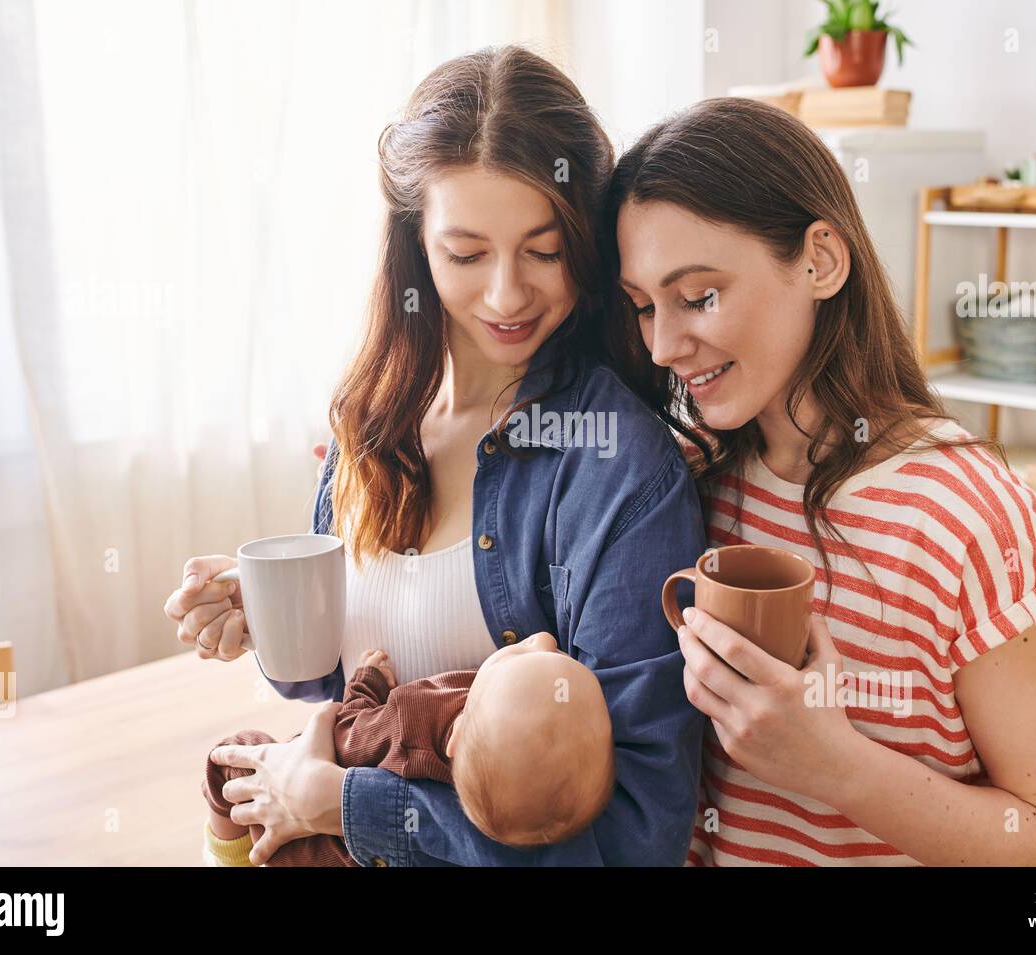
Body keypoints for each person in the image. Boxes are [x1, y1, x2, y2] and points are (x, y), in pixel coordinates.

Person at [163, 46, 706, 866]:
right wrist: (276, 623)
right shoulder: (371, 419)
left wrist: (344, 806)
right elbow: (351, 706)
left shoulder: (619, 471)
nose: (506, 294)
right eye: (466, 254)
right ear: (416, 245)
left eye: (544, 249)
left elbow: (635, 835)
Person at [608, 97, 1036, 866]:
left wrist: (834, 765)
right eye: (643, 307)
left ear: (821, 261)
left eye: (699, 296)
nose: (666, 344)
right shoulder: (689, 482)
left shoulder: (972, 517)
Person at [200, 637, 614, 866]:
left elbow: (351, 735)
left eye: (521, 657)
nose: (545, 638)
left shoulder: (417, 719)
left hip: (294, 845)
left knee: (230, 756)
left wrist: (365, 685)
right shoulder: (501, 789)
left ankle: (232, 854)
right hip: (363, 850)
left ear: (456, 733)